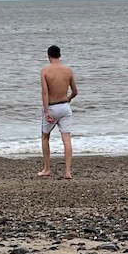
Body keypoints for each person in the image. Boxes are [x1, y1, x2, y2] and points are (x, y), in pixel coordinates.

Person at [38, 44, 77, 180]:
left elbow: (45, 93)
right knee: (66, 138)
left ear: (48, 56)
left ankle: (47, 169)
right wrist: (68, 99)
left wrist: (47, 112)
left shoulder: (45, 71)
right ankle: (67, 172)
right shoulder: (68, 71)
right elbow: (75, 92)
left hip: (52, 107)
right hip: (65, 106)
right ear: (59, 56)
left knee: (45, 136)